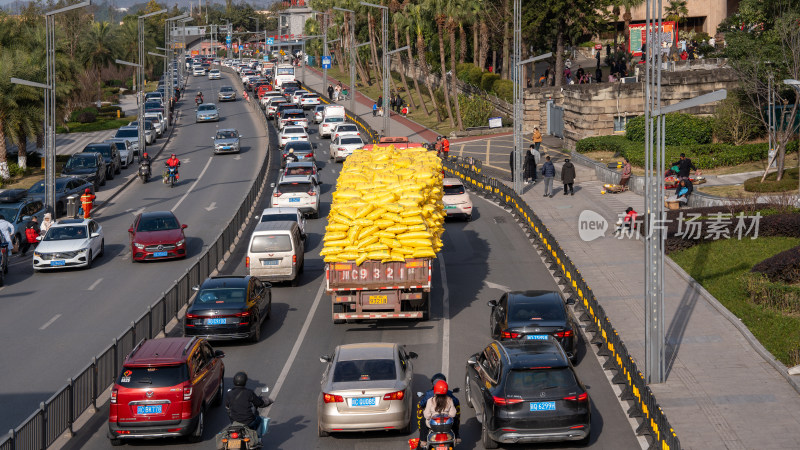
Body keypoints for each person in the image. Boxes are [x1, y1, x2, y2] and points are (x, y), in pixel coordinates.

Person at [225, 372, 272, 440]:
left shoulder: (229, 394)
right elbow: (259, 403)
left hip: (234, 422)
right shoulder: (249, 393)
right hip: (248, 422)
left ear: (234, 381)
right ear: (245, 382)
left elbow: (227, 406)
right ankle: (258, 439)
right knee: (259, 419)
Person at [420, 379, 458, 448]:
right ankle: (457, 437)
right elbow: (453, 413)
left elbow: (427, 415)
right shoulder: (449, 399)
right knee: (456, 419)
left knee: (422, 421)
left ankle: (423, 440)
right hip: (447, 426)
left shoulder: (430, 400)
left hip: (433, 426)